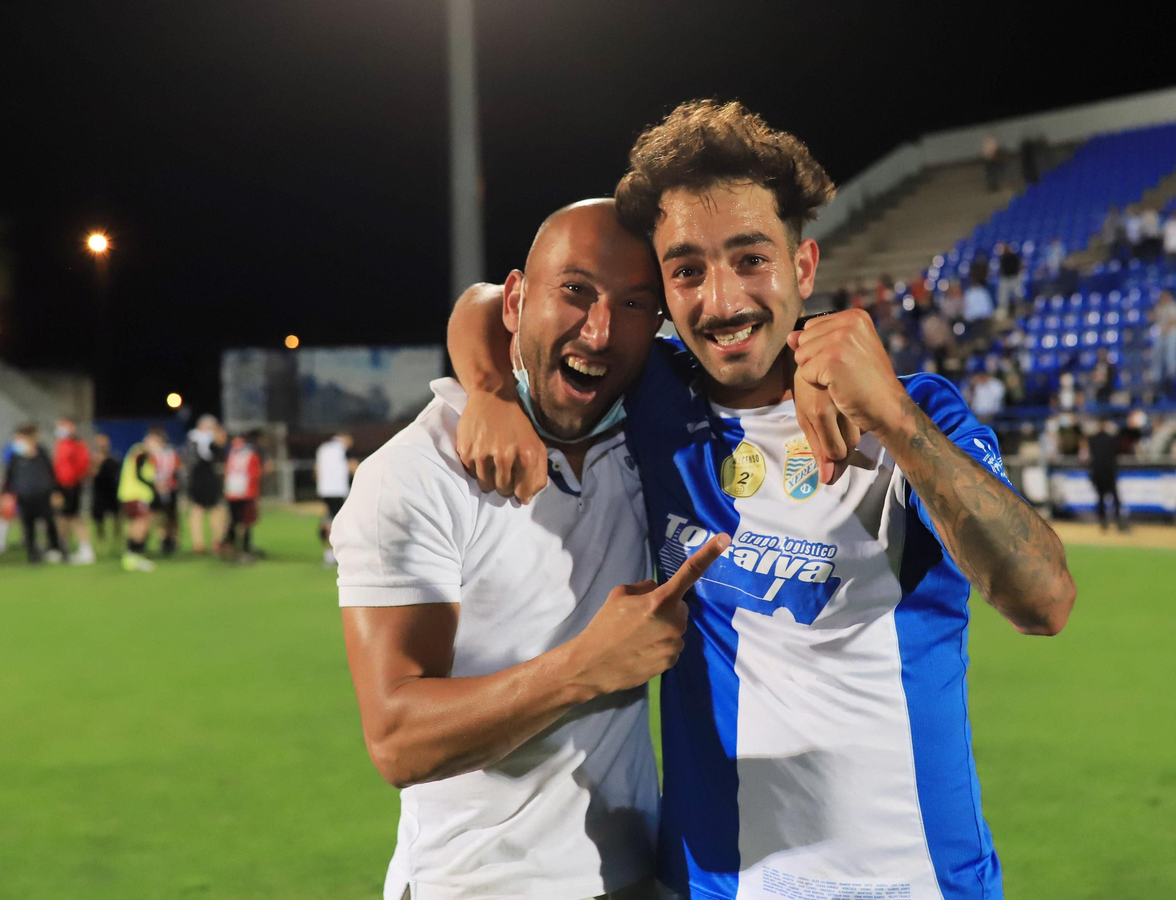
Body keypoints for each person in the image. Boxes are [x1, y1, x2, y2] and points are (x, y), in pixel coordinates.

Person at [452, 100, 1076, 898]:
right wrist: (489, 388)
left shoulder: (915, 416)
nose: (721, 301)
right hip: (718, 884)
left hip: (915, 880)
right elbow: (484, 303)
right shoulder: (654, 397)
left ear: (804, 268)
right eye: (686, 270)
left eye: (751, 258)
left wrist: (893, 417)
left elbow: (1044, 601)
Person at [337, 200, 712, 900]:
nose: (599, 333)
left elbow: (472, 307)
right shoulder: (414, 474)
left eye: (635, 304)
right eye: (575, 291)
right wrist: (585, 668)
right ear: (517, 300)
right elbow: (396, 739)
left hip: (639, 881)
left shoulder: (651, 431)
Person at [1, 424, 64, 563]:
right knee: (28, 525)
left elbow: (51, 472)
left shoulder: (42, 452)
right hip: (25, 496)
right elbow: (9, 476)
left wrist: (55, 491)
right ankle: (32, 554)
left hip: (43, 494)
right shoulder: (16, 457)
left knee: (49, 522)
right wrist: (6, 493)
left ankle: (55, 549)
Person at [116, 428, 167, 572]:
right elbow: (139, 475)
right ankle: (135, 555)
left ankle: (131, 557)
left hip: (129, 494)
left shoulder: (138, 452)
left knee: (134, 525)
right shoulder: (142, 452)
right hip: (136, 495)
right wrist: (155, 486)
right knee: (141, 525)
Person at [51, 417, 96, 565]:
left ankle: (85, 549)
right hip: (62, 486)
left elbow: (82, 465)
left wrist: (74, 481)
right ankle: (62, 548)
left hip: (71, 486)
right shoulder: (61, 444)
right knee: (62, 517)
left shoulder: (77, 444)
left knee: (73, 517)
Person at [185, 415, 228, 554]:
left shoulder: (198, 439)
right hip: (200, 478)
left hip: (208, 478)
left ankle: (215, 541)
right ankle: (200, 543)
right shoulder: (196, 438)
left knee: (215, 509)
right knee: (199, 510)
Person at [314, 431, 356, 566]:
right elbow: (353, 467)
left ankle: (328, 553)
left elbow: (317, 470)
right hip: (338, 490)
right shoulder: (342, 450)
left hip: (325, 490)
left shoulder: (323, 448)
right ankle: (336, 553)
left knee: (328, 518)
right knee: (337, 521)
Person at [222, 430, 264, 562]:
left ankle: (231, 549)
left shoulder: (231, 455)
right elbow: (255, 475)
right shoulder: (251, 456)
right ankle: (243, 550)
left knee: (234, 522)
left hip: (232, 493)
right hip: (246, 493)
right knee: (245, 523)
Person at [1081, 418, 1125, 532]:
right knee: (1114, 497)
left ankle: (1103, 522)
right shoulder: (1110, 439)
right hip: (1109, 472)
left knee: (1101, 497)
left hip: (1098, 472)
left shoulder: (1092, 439)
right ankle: (1118, 521)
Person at [90, 434, 122, 550]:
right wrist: (96, 463)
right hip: (99, 493)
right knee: (98, 519)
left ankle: (117, 539)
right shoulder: (93, 460)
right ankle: (100, 540)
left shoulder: (114, 459)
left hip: (113, 492)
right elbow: (91, 475)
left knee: (117, 516)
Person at [1150, 291, 1176, 389]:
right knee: (1155, 351)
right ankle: (1156, 376)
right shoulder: (1159, 307)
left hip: (1173, 332)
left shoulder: (1174, 306)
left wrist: (1166, 329)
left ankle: (1172, 374)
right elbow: (1156, 319)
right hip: (1162, 333)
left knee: (1171, 353)